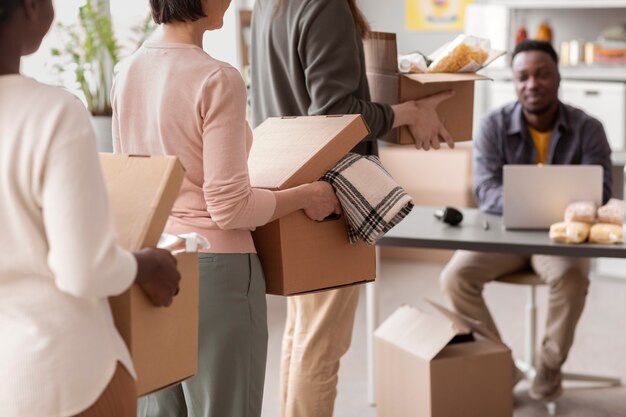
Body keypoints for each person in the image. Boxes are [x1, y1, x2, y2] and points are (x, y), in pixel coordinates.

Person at [110, 1, 341, 416]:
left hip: (154, 262)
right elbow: (229, 207)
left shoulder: (127, 71)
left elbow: (136, 183)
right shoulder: (217, 77)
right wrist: (307, 196)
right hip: (218, 275)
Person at [250, 1, 454, 415]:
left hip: (287, 181)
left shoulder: (269, 5)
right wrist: (406, 113)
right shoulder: (323, 5)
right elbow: (335, 114)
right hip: (326, 194)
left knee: (304, 334)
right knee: (322, 346)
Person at [0, 1, 182, 416]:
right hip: (70, 379)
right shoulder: (51, 112)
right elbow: (84, 270)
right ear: (27, 7)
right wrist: (146, 264)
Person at [440, 40, 613, 402]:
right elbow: (485, 190)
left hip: (560, 241)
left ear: (558, 77)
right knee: (455, 277)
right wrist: (549, 204)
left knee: (571, 276)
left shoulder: (589, 128)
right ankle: (503, 367)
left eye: (541, 74)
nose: (532, 84)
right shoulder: (492, 125)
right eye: (523, 77)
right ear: (514, 82)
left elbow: (601, 193)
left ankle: (548, 367)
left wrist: (541, 205)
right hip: (505, 235)